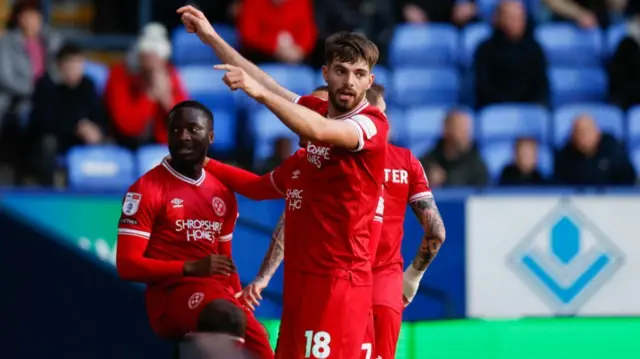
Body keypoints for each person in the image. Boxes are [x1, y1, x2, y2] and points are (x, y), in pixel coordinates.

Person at [178, 6, 388, 358]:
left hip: (339, 283)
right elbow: (266, 82)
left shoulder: (370, 126)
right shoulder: (315, 118)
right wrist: (210, 37)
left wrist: (255, 93)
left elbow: (315, 128)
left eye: (359, 73)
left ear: (369, 80)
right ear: (326, 73)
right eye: (341, 71)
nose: (349, 81)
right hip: (302, 279)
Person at [239, 84, 446, 359]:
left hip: (332, 281)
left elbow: (291, 217)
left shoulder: (319, 163)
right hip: (384, 285)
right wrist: (412, 279)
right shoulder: (407, 161)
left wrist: (264, 278)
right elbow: (436, 232)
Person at [115, 100, 273, 359]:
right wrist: (191, 267)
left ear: (210, 136)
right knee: (227, 317)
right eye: (175, 130)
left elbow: (224, 264)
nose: (183, 137)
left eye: (192, 129)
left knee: (261, 346)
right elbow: (127, 265)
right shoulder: (146, 189)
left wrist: (242, 305)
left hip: (215, 293)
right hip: (170, 296)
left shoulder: (222, 192)